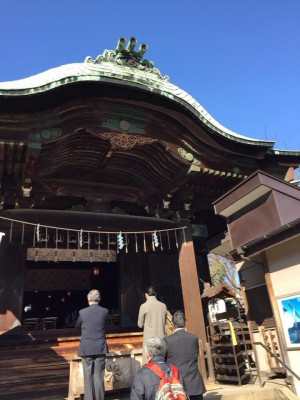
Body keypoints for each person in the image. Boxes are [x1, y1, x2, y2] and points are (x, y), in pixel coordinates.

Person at [165, 310, 206, 400]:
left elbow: (165, 361)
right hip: (194, 382)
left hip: (177, 383)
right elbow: (195, 354)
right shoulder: (194, 338)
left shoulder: (167, 340)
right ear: (185, 322)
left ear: (172, 323)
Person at [75, 289, 108, 400]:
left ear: (88, 299)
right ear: (99, 299)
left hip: (87, 347)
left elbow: (77, 327)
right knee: (99, 376)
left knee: (88, 377)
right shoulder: (105, 311)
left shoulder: (82, 312)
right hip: (100, 347)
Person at [137, 286, 167, 365]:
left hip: (149, 339)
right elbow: (165, 322)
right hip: (161, 338)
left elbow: (140, 325)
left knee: (149, 363)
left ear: (146, 295)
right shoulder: (163, 306)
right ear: (155, 294)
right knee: (161, 362)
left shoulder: (144, 306)